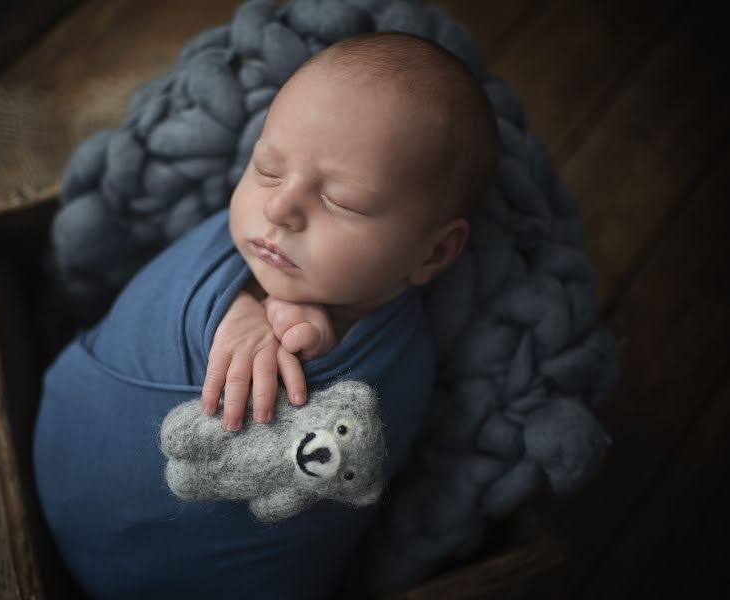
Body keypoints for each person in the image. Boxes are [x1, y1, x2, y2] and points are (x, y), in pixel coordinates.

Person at [33, 32, 499, 599]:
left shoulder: (409, 360)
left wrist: (323, 340)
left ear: (433, 253)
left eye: (342, 202)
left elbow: (358, 469)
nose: (278, 208)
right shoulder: (225, 255)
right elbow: (162, 298)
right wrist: (241, 312)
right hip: (68, 468)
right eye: (268, 168)